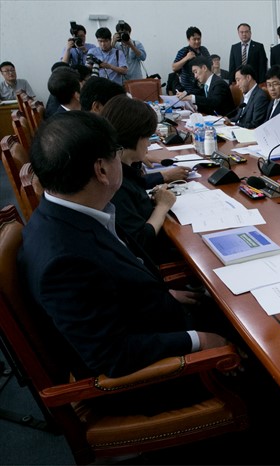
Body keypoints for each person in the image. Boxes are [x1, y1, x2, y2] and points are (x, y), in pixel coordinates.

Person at [18, 111, 230, 379]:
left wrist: (162, 295)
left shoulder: (73, 210)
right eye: (117, 154)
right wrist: (200, 340)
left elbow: (111, 286)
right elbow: (113, 356)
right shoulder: (64, 262)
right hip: (152, 373)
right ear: (102, 170)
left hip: (153, 314)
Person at [101, 96, 181, 263]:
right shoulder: (115, 182)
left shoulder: (120, 166)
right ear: (135, 137)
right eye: (148, 137)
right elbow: (141, 242)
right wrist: (162, 206)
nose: (149, 145)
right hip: (153, 260)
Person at [172, 26, 210, 94]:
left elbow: (210, 65)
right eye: (194, 39)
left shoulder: (204, 50)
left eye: (199, 39)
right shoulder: (183, 51)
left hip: (204, 88)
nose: (197, 41)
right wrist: (186, 58)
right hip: (188, 90)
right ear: (188, 39)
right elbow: (174, 67)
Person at [232, 64, 269, 129]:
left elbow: (255, 125)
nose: (237, 84)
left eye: (238, 80)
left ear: (248, 78)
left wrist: (234, 124)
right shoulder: (245, 93)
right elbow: (238, 118)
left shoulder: (260, 97)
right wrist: (225, 121)